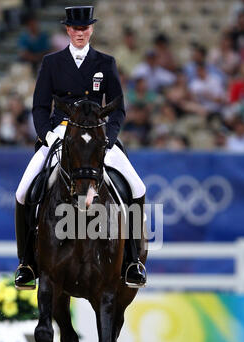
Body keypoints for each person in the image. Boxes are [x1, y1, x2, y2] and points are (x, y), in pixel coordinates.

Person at [15, 6, 147, 290]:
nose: (80, 33)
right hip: (60, 133)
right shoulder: (52, 63)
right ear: (67, 30)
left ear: (91, 30)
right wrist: (47, 136)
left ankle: (133, 260)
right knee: (23, 191)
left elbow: (118, 108)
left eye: (84, 29)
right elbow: (39, 106)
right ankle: (26, 263)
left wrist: (108, 138)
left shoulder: (106, 62)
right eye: (75, 29)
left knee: (137, 188)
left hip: (97, 136)